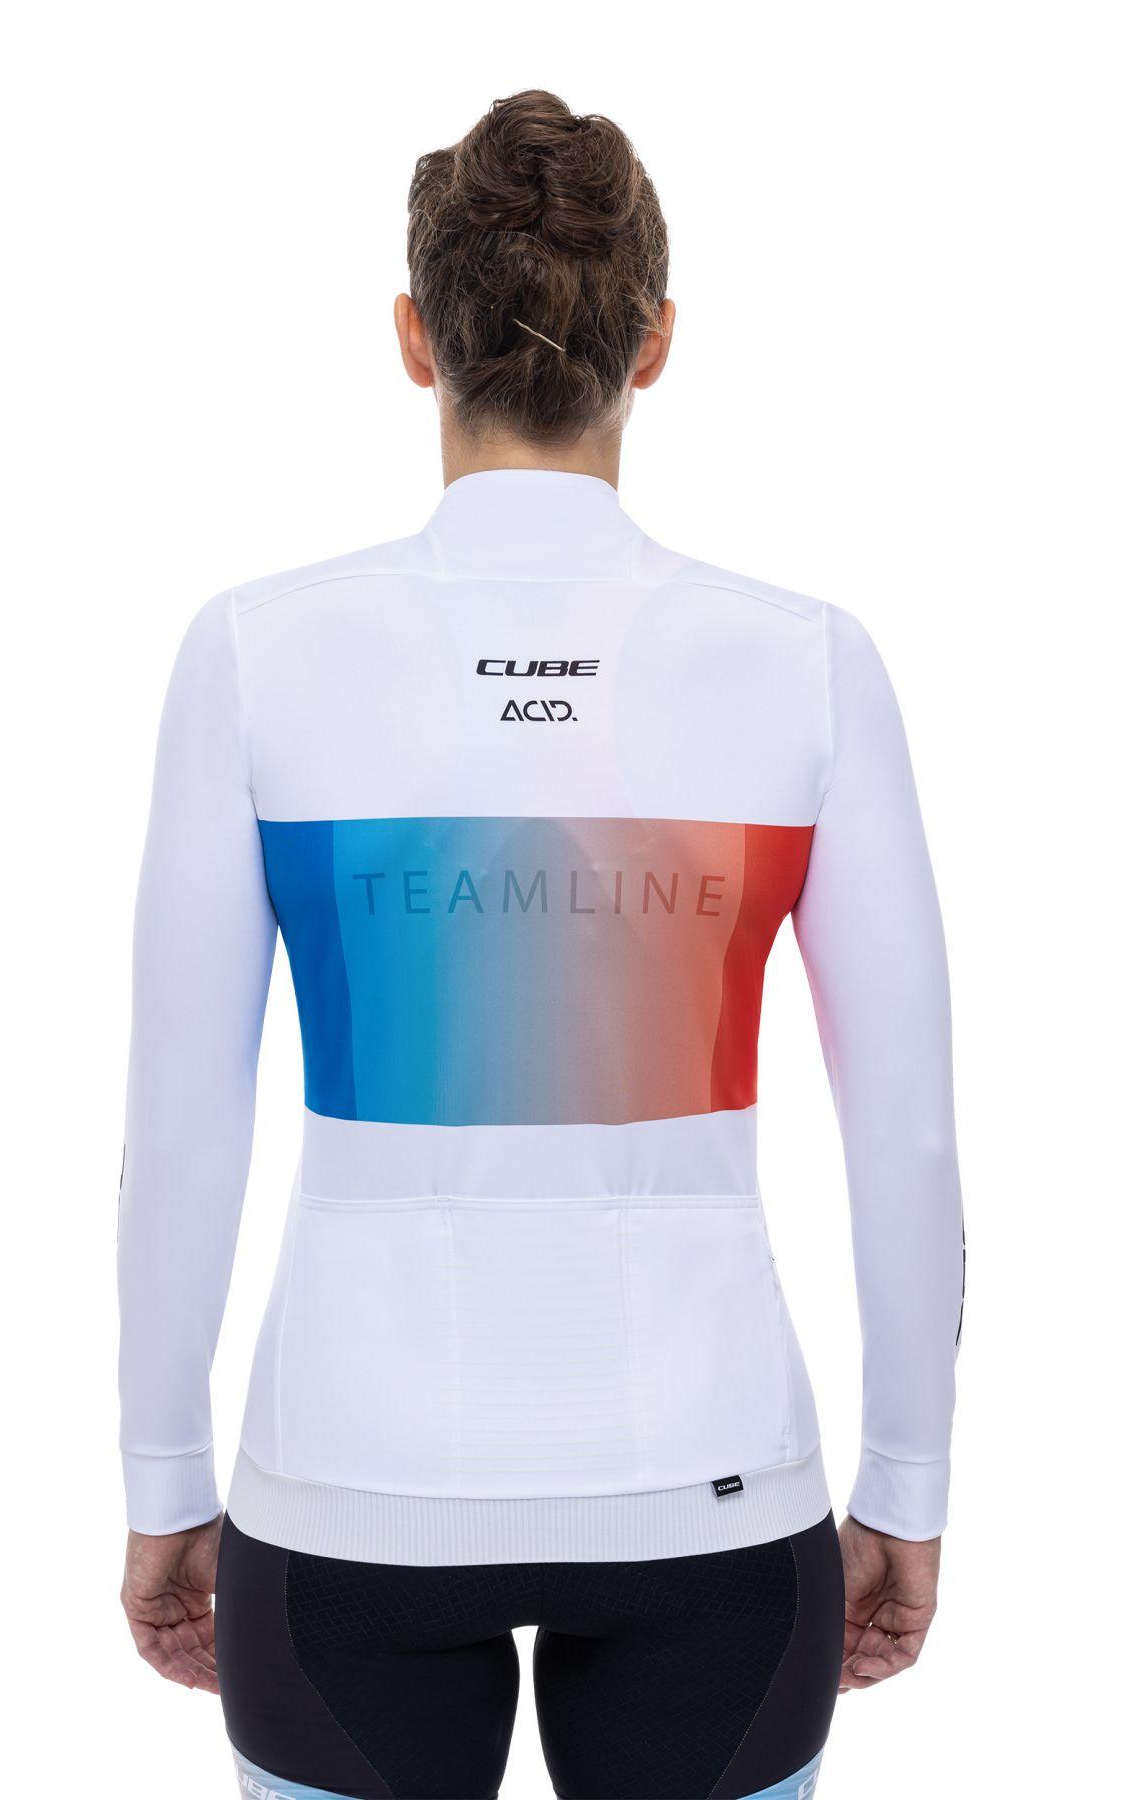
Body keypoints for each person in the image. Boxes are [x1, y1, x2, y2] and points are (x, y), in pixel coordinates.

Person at [118, 90, 964, 1800]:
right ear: (654, 344)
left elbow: (183, 1136)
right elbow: (909, 1142)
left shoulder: (259, 655)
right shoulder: (803, 663)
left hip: (343, 1495)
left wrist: (162, 1479)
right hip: (716, 1492)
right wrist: (908, 1485)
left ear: (414, 339)